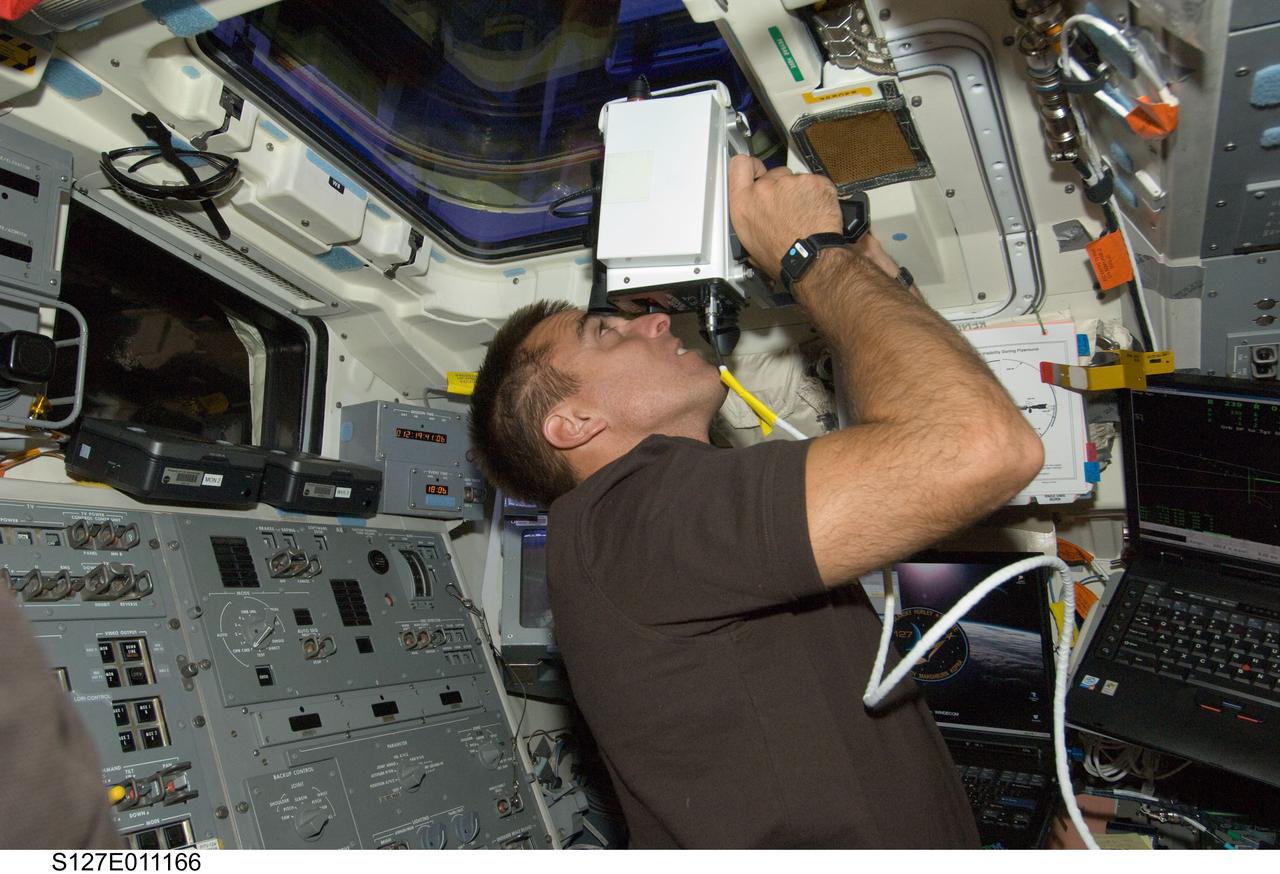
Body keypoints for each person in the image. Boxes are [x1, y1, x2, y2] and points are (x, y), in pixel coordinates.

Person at [468, 155, 1044, 847]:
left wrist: (859, 260)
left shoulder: (645, 521)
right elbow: (980, 447)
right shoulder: (634, 513)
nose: (653, 322)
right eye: (606, 332)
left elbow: (913, 426)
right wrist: (809, 255)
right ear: (573, 425)